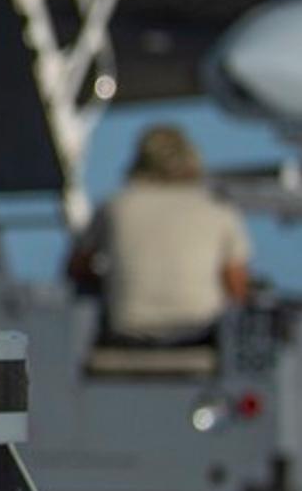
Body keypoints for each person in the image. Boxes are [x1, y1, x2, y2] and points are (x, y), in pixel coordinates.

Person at [64, 123, 252, 346]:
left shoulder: (115, 206)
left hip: (127, 330)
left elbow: (76, 268)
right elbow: (236, 285)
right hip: (200, 332)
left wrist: (112, 284)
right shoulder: (218, 210)